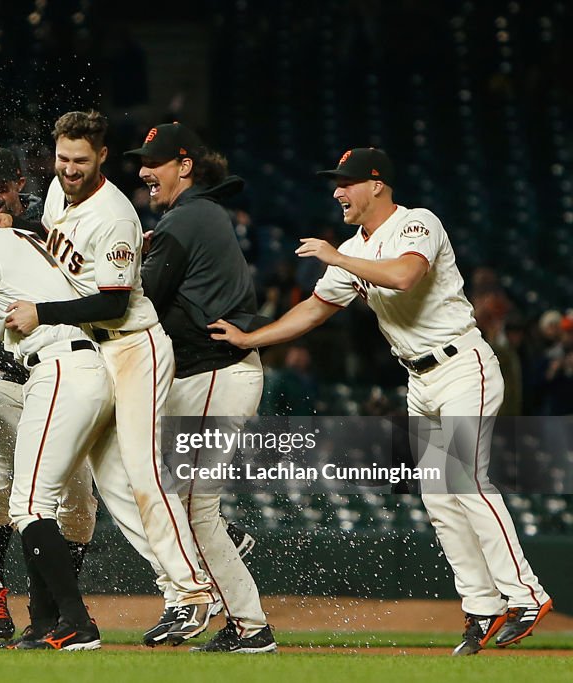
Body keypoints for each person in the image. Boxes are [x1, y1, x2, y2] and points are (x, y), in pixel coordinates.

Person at [209, 147, 552, 656]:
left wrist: (336, 257)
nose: (336, 191)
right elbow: (312, 311)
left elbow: (404, 275)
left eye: (345, 182)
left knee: (466, 479)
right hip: (420, 380)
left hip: (463, 364)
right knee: (439, 498)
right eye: (335, 183)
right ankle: (481, 607)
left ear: (376, 184)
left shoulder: (418, 223)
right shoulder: (352, 248)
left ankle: (526, 594)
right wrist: (248, 341)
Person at [3, 110, 215, 645]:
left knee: (143, 473)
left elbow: (115, 304)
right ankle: (179, 589)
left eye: (80, 159)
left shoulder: (114, 214)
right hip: (98, 352)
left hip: (133, 346)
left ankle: (196, 591)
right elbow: (56, 250)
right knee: (118, 488)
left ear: (101, 157)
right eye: (62, 158)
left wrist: (41, 313)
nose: (69, 169)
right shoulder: (56, 192)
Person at [129, 122, 275, 653]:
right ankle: (244, 617)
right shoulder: (194, 216)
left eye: (156, 162)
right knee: (171, 496)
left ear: (184, 165)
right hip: (208, 374)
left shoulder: (187, 218)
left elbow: (139, 300)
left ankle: (249, 625)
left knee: (191, 507)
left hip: (215, 370)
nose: (144, 170)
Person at [0, 224, 111, 650]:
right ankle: (47, 620)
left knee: (29, 504)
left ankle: (76, 623)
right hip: (75, 366)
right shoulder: (24, 247)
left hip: (59, 368)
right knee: (49, 502)